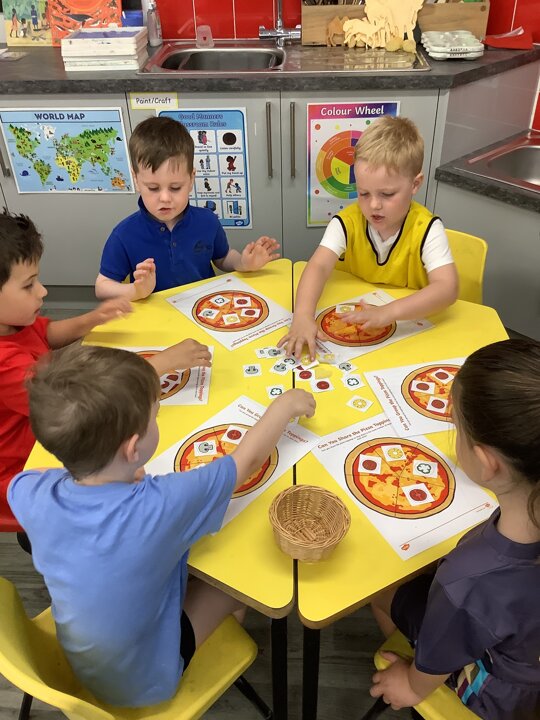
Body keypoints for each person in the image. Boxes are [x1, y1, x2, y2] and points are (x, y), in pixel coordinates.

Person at [8, 344, 316, 707]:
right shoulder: (160, 504)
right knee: (240, 584)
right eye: (155, 416)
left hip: (83, 659)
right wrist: (286, 406)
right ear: (132, 449)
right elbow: (245, 462)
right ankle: (220, 637)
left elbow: (30, 479)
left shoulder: (30, 493)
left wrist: (111, 474)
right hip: (145, 681)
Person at [0, 208, 210, 532]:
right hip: (30, 476)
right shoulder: (4, 364)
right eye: (29, 286)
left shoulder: (12, 323)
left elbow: (46, 333)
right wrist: (165, 362)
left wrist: (94, 318)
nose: (42, 291)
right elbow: (81, 402)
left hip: (58, 441)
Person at [369, 339, 540, 720]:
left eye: (455, 427)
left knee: (380, 590)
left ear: (486, 462)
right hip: (526, 650)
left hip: (496, 690)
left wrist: (410, 685)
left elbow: (444, 650)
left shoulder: (468, 580)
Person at [278, 115, 459, 359]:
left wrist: (387, 312)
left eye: (387, 194)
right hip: (355, 335)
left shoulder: (427, 229)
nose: (374, 205)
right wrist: (302, 315)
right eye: (363, 193)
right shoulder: (346, 223)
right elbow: (318, 266)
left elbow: (447, 288)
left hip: (405, 334)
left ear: (415, 184)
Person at [95, 117, 280, 301]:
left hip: (205, 308)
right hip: (156, 315)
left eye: (175, 187)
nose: (165, 198)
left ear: (191, 179)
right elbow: (102, 287)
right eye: (153, 188)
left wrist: (243, 263)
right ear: (136, 179)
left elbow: (222, 258)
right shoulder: (124, 235)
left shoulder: (207, 221)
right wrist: (136, 291)